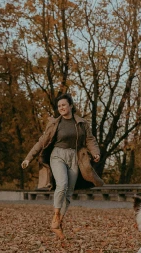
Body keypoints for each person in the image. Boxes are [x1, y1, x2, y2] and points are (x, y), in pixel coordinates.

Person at [22, 94, 103, 237]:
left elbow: (90, 139)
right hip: (57, 156)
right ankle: (56, 216)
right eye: (59, 106)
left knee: (69, 191)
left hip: (74, 157)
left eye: (64, 105)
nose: (61, 108)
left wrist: (95, 153)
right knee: (62, 184)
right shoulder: (55, 123)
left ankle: (59, 222)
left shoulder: (81, 123)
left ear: (71, 106)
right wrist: (29, 158)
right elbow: (41, 142)